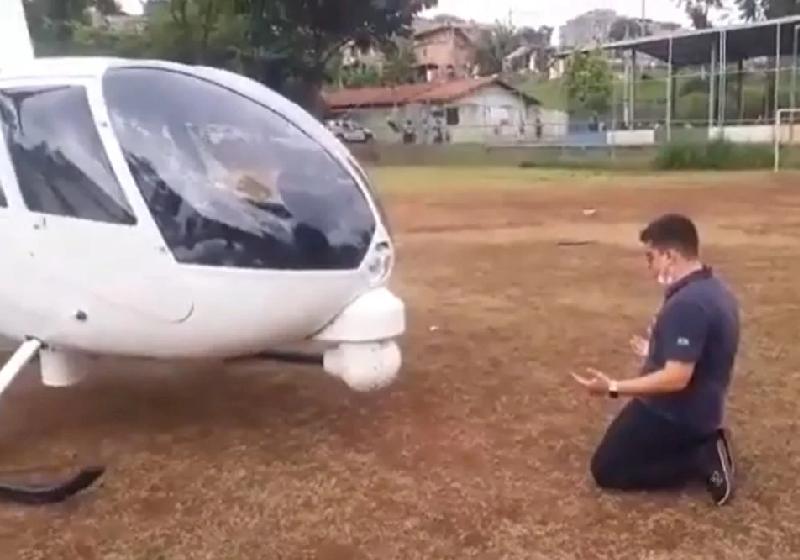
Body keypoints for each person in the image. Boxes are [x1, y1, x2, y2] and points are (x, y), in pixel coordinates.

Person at [571, 213, 740, 506]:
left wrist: (613, 387)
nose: (649, 267)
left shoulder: (688, 304)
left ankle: (699, 455)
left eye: (651, 257)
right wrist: (656, 350)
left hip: (677, 413)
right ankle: (698, 444)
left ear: (670, 255)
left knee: (607, 469)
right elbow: (703, 350)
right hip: (700, 406)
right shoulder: (711, 287)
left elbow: (676, 378)